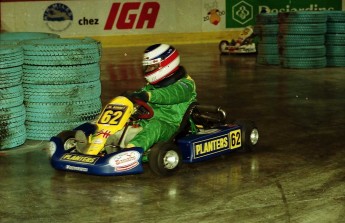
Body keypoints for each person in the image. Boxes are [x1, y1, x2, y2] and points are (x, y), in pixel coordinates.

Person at [125, 43, 197, 151]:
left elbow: (170, 94)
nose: (149, 69)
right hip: (146, 122)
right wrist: (130, 96)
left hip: (170, 127)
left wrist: (148, 96)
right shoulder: (153, 85)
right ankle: (96, 145)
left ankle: (131, 152)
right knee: (122, 122)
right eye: (147, 66)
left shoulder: (185, 85)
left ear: (168, 63)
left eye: (152, 66)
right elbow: (140, 95)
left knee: (155, 126)